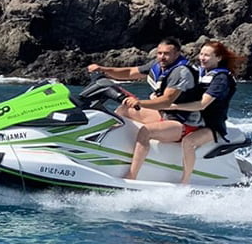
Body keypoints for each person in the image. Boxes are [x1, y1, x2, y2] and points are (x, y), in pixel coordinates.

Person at [85, 40, 202, 178]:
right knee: (124, 109)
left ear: (177, 54)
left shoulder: (181, 72)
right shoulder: (158, 65)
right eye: (159, 53)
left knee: (145, 132)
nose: (162, 57)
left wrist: (139, 102)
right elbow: (130, 72)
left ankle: (132, 175)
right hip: (164, 114)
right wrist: (103, 70)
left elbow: (166, 100)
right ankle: (104, 148)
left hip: (185, 124)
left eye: (167, 54)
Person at [173, 40, 244, 183]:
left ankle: (184, 182)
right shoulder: (199, 72)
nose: (202, 58)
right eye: (201, 54)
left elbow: (202, 104)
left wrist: (173, 106)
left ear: (218, 58)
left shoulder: (221, 79)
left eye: (207, 55)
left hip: (212, 126)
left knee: (188, 142)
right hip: (192, 119)